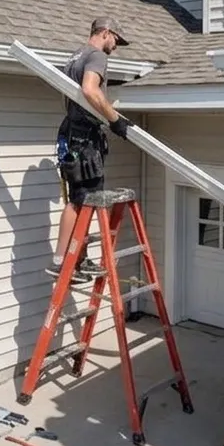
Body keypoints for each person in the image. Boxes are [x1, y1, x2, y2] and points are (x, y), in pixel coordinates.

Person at [49, 17, 133, 284]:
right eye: (116, 40)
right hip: (84, 140)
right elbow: (90, 90)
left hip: (72, 135)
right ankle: (63, 261)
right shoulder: (97, 56)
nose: (116, 46)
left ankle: (77, 259)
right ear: (105, 33)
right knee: (81, 201)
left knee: (81, 198)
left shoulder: (75, 56)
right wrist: (115, 120)